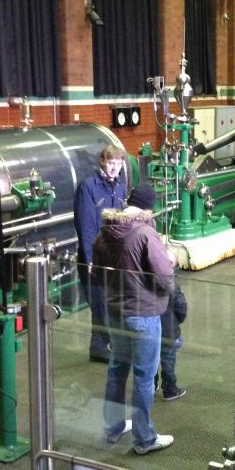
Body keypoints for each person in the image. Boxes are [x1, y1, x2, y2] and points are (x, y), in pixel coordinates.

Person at [93, 183, 175, 455]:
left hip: (115, 311)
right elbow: (164, 276)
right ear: (149, 208)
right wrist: (170, 261)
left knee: (117, 369)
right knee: (144, 376)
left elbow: (96, 274)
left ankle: (114, 427)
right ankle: (144, 439)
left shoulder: (106, 231)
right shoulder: (144, 233)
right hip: (143, 314)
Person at [73, 145, 127, 362]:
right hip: (96, 259)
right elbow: (85, 227)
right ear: (102, 162)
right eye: (111, 163)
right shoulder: (88, 187)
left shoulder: (120, 187)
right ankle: (111, 346)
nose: (115, 168)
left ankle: (98, 347)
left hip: (114, 257)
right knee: (101, 305)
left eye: (119, 163)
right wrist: (90, 260)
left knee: (108, 304)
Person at [154, 277, 187, 402]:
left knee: (152, 357)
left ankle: (151, 385)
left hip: (149, 328)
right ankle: (170, 389)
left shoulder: (141, 279)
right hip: (168, 329)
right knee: (168, 359)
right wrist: (175, 321)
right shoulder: (169, 283)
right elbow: (181, 306)